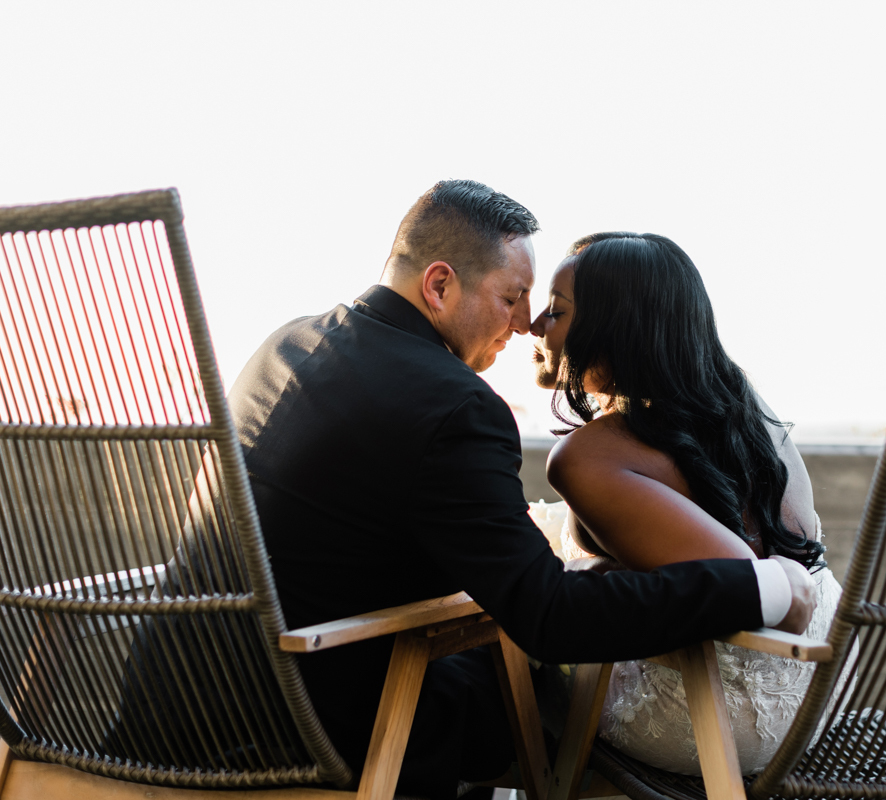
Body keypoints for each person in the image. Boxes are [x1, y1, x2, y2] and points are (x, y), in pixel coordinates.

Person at [226, 180, 818, 799]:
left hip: (189, 702)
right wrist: (765, 582)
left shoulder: (285, 344)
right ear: (439, 285)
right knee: (509, 688)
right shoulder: (452, 405)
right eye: (511, 297)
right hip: (307, 731)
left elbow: (347, 532)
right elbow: (551, 618)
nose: (523, 322)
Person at [528, 232, 856, 775]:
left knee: (521, 661)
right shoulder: (737, 398)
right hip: (827, 688)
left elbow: (747, 582)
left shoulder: (583, 459)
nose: (536, 325)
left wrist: (587, 572)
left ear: (614, 336)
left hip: (720, 720)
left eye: (557, 312)